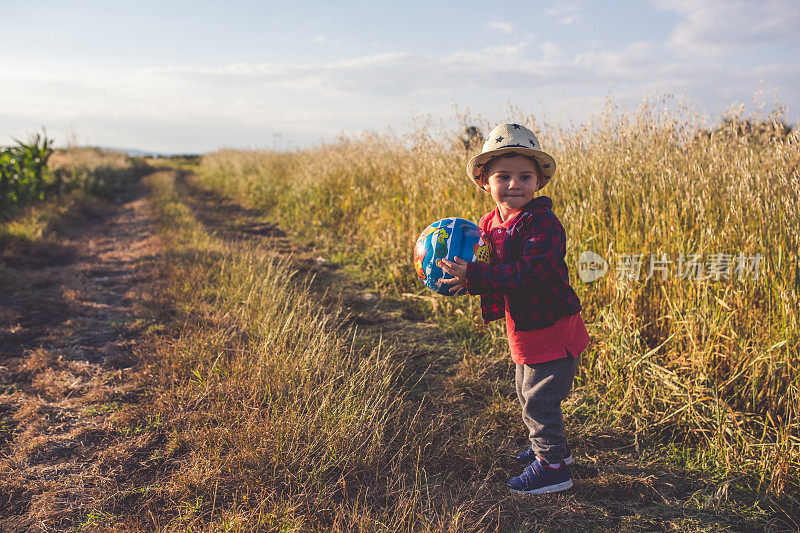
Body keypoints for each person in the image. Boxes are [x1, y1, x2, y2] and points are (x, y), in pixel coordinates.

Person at [437, 123, 590, 495]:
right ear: (484, 183)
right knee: (526, 391)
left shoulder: (543, 224)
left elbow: (529, 273)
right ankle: (554, 450)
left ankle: (553, 468)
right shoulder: (488, 225)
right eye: (503, 176)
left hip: (551, 325)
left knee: (539, 402)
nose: (514, 185)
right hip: (522, 326)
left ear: (539, 183)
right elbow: (486, 267)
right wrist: (462, 276)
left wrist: (476, 275)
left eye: (525, 176)